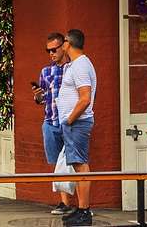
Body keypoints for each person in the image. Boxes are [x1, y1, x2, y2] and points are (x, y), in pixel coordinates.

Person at [55, 29, 97, 227]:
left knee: (81, 165)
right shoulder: (76, 64)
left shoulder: (80, 65)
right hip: (74, 123)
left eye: (62, 41)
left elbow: (85, 98)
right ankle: (81, 209)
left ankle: (84, 212)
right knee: (77, 165)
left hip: (78, 123)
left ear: (68, 43)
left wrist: (70, 119)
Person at [35, 33, 67, 206]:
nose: (51, 54)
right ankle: (65, 203)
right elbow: (42, 99)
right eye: (48, 51)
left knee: (75, 162)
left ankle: (82, 206)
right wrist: (38, 96)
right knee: (56, 165)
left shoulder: (72, 68)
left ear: (64, 46)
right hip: (50, 121)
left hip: (69, 123)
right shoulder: (46, 71)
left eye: (54, 49)